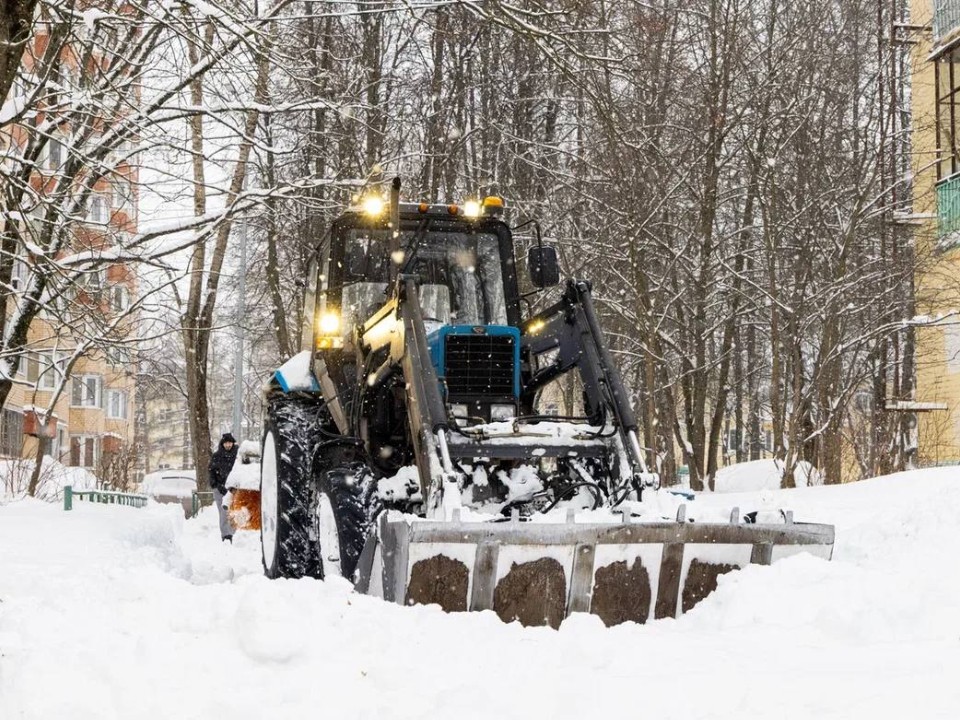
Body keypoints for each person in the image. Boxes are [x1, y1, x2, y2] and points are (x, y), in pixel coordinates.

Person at [209, 432, 238, 542]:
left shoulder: (238, 455)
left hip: (234, 489)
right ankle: (226, 535)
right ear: (222, 444)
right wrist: (217, 485)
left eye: (230, 443)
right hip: (219, 489)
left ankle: (234, 533)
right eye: (226, 443)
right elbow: (211, 472)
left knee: (235, 511)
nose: (228, 445)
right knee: (224, 512)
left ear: (233, 443)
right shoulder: (217, 456)